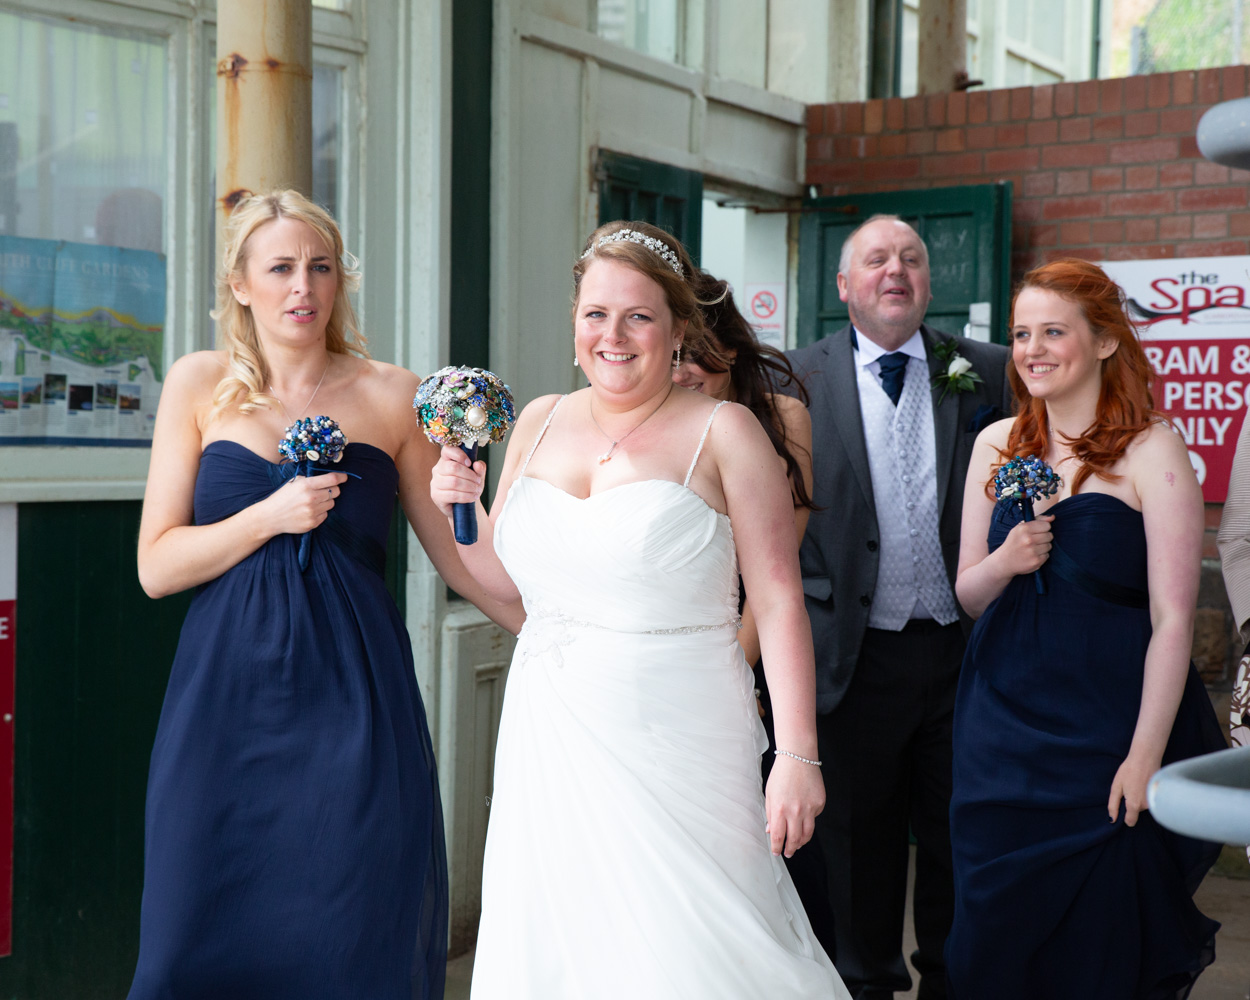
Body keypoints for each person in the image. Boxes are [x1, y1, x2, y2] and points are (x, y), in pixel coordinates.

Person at [431, 221, 849, 998]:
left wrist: (796, 755)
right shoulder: (539, 420)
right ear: (574, 322)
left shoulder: (727, 433)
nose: (612, 335)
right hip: (550, 732)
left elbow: (780, 599)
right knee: (563, 944)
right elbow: (513, 582)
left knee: (686, 949)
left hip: (680, 733)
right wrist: (462, 508)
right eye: (595, 314)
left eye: (638, 316)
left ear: (678, 328)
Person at [129, 190, 521, 1000]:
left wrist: (550, 626)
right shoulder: (198, 384)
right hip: (223, 704)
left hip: (354, 701)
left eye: (320, 266)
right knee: (187, 944)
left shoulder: (392, 393)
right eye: (280, 268)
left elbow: (459, 558)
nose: (302, 286)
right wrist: (269, 518)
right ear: (240, 284)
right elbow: (157, 565)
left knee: (347, 940)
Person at [948, 258, 1223, 998]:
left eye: (1052, 332)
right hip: (1000, 730)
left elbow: (1173, 619)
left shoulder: (1152, 449)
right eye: (1021, 334)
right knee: (991, 934)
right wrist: (1007, 559)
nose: (1032, 349)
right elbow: (969, 596)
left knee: (1100, 939)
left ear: (1104, 341)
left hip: (1105, 730)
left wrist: (1143, 756)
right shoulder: (996, 444)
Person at [784, 214, 1011, 999]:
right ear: (844, 287)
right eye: (876, 260)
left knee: (959, 836)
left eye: (911, 259)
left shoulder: (990, 372)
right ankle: (867, 984)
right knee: (859, 844)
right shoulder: (791, 379)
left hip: (965, 653)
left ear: (926, 282)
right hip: (853, 653)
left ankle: (952, 981)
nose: (896, 271)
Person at [673, 270, 839, 955]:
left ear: (731, 351)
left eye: (697, 353)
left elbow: (772, 576)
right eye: (673, 352)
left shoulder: (779, 418)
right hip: (668, 659)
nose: (682, 370)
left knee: (773, 849)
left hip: (751, 647)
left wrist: (724, 677)